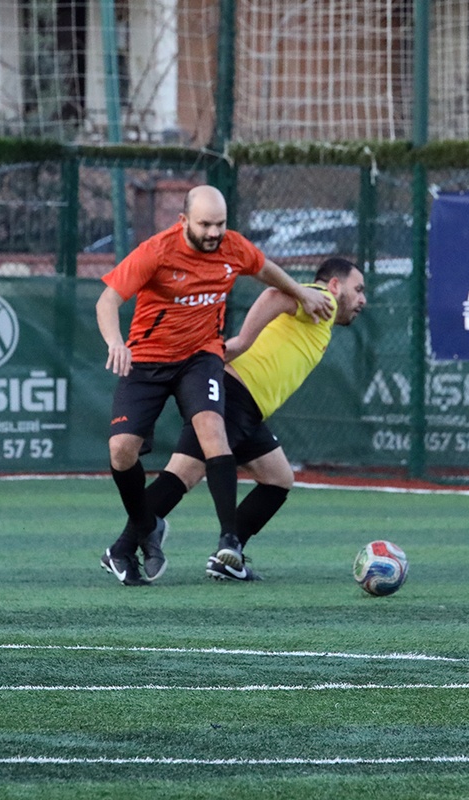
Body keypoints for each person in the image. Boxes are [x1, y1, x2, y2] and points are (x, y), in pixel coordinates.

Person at [96, 185, 334, 586]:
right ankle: (141, 530)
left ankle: (229, 541)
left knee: (211, 428)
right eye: (205, 224)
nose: (213, 232)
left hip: (201, 355)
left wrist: (300, 292)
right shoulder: (157, 251)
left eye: (220, 224)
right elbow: (107, 300)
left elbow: (265, 270)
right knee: (121, 450)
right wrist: (115, 343)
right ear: (183, 221)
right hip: (148, 359)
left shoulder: (233, 247)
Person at [141, 257, 366, 581]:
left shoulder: (317, 309)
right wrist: (243, 341)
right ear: (334, 285)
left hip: (248, 405)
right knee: (185, 472)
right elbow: (274, 295)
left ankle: (228, 559)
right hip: (234, 395)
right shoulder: (323, 300)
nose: (362, 299)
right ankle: (124, 545)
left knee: (278, 478)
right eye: (358, 289)